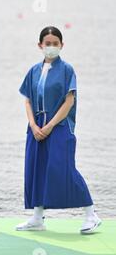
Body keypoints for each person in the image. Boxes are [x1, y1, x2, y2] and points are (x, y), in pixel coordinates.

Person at [16, 26, 101, 234]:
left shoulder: (67, 70)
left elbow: (69, 101)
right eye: (48, 43)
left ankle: (91, 213)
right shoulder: (34, 70)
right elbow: (27, 100)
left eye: (55, 43)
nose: (51, 47)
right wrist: (34, 126)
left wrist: (50, 125)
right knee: (36, 169)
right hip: (36, 127)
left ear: (62, 45)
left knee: (64, 169)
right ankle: (37, 217)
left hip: (60, 127)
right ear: (40, 45)